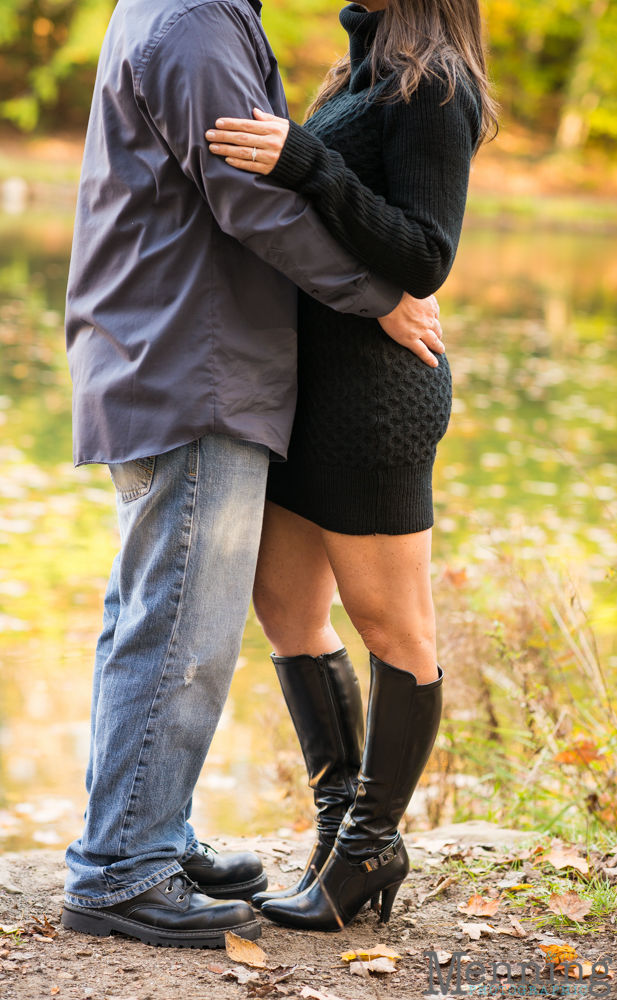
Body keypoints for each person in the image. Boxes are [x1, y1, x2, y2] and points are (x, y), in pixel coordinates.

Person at [60, 0, 441, 950]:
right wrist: (375, 295)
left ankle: (144, 834)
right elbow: (248, 192)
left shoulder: (181, 10)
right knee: (177, 629)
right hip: (193, 364)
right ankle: (121, 870)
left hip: (172, 357)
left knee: (151, 614)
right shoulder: (195, 20)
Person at [206, 0, 497, 930]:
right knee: (286, 610)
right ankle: (339, 827)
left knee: (394, 628)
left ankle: (372, 846)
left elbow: (425, 253)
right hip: (303, 392)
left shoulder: (433, 86)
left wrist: (308, 163)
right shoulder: (361, 70)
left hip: (373, 401)